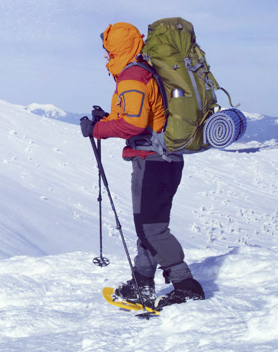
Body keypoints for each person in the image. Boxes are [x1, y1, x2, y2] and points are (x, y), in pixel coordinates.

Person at [79, 22, 205, 309]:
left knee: (153, 229)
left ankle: (186, 285)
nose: (105, 56)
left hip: (153, 161)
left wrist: (96, 130)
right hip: (163, 160)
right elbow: (142, 116)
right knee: (148, 226)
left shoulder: (133, 76)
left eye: (108, 49)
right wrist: (106, 119)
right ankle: (142, 281)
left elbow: (133, 123)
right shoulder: (144, 71)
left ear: (120, 48)